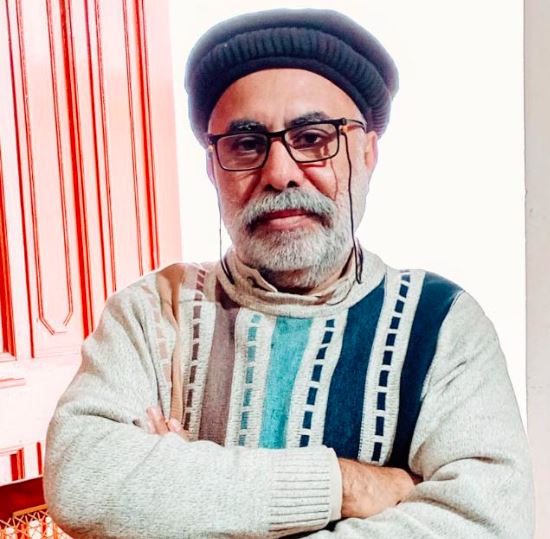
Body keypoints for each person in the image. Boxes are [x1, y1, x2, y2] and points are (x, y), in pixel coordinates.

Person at [44, 8, 534, 538]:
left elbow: (487, 523)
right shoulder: (152, 313)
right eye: (246, 144)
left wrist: (184, 494)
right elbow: (84, 480)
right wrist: (344, 485)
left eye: (313, 137)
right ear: (212, 169)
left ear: (367, 153)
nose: (279, 173)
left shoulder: (442, 326)